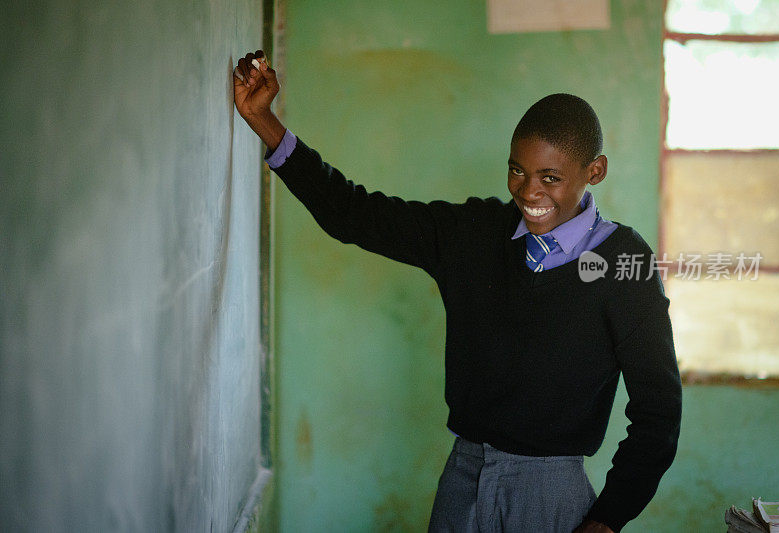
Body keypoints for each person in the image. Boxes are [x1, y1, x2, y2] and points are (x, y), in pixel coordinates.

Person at [233, 50, 682, 533]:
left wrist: (608, 519)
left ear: (595, 172)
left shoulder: (623, 263)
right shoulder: (473, 233)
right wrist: (265, 123)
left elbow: (658, 411)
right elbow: (352, 213)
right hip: (462, 481)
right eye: (517, 171)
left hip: (550, 493)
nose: (528, 192)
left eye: (551, 177)